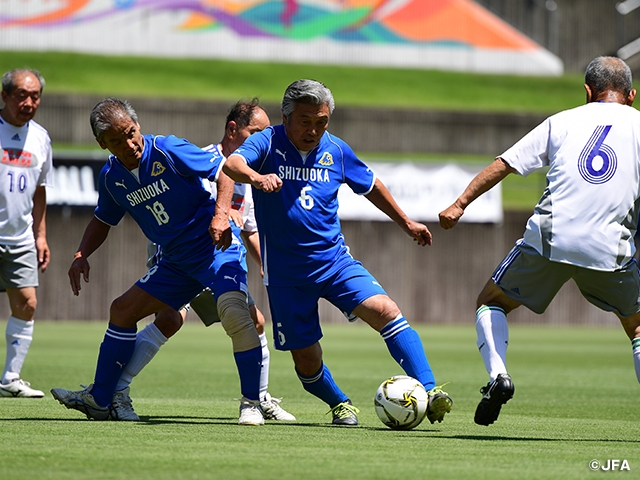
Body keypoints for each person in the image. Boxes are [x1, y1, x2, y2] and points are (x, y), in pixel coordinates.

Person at [221, 79, 453, 426]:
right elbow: (232, 164)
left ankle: (430, 391)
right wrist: (256, 177)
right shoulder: (266, 142)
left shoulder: (337, 151)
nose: (314, 130)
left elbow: (371, 185)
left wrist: (406, 223)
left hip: (334, 262)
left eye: (322, 121)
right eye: (305, 121)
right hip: (286, 276)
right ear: (286, 117)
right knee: (307, 362)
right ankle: (340, 403)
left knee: (386, 310)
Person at [438, 56, 640, 426]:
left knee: (491, 302)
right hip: (609, 249)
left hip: (550, 240)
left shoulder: (561, 121)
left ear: (587, 92)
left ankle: (498, 375)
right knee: (637, 326)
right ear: (631, 94)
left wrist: (459, 204)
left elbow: (505, 163)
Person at [51, 97, 266, 425]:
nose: (129, 143)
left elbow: (224, 170)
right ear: (101, 143)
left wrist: (221, 216)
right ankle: (100, 398)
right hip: (176, 262)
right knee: (122, 311)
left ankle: (252, 403)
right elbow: (103, 220)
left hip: (214, 248)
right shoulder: (111, 177)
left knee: (236, 313)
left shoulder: (168, 149)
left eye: (131, 133)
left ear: (138, 127)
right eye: (116, 140)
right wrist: (81, 254)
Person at [110, 100, 294, 422]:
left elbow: (248, 227)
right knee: (180, 319)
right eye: (257, 132)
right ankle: (114, 389)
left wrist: (266, 262)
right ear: (233, 129)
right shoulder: (204, 157)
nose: (263, 139)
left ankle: (258, 397)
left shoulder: (248, 169)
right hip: (184, 255)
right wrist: (223, 213)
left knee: (234, 321)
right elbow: (197, 205)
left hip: (214, 256)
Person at [0, 68, 52, 398]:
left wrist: (41, 235)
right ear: (4, 96)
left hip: (20, 238)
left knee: (27, 305)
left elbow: (40, 190)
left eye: (35, 96)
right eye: (21, 95)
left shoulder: (41, 138)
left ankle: (10, 378)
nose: (29, 102)